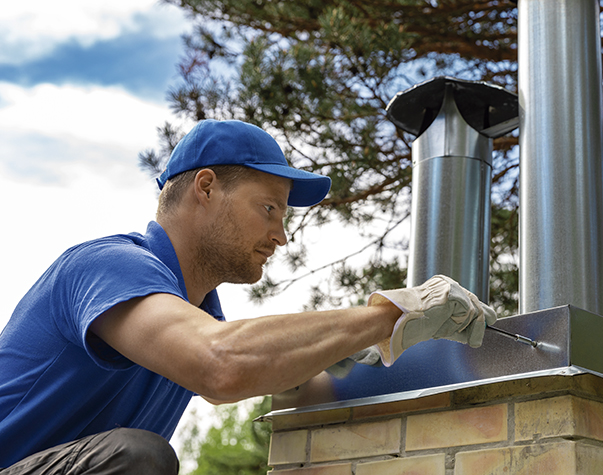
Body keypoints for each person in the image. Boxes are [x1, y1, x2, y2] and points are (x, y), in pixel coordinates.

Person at [0, 119, 495, 473]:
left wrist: (343, 356)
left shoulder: (197, 314)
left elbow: (229, 380)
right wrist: (390, 315)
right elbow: (221, 363)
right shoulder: (110, 266)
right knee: (139, 455)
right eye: (268, 209)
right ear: (207, 187)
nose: (282, 236)